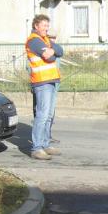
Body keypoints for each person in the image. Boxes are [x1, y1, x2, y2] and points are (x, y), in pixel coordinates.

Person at [26, 14, 64, 160]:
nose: (46, 28)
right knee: (42, 115)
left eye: (47, 26)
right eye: (44, 25)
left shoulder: (45, 39)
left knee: (49, 115)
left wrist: (52, 50)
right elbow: (51, 57)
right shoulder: (34, 40)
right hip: (42, 82)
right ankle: (37, 148)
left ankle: (45, 144)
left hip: (52, 80)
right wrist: (53, 51)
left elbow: (60, 51)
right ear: (36, 26)